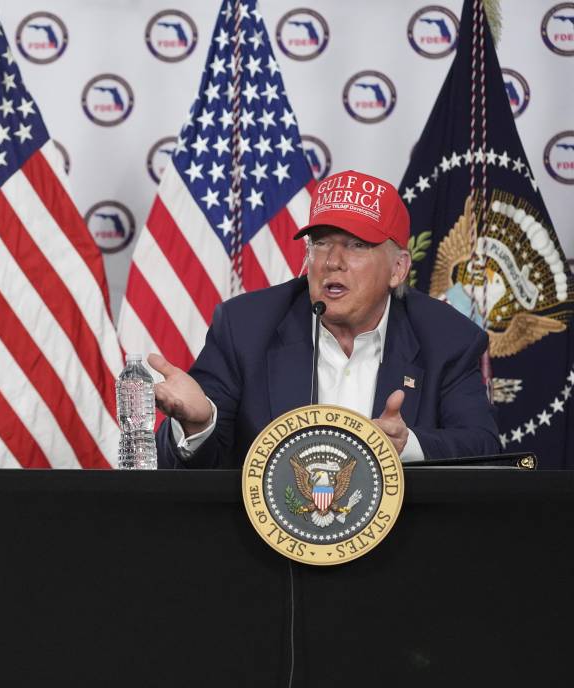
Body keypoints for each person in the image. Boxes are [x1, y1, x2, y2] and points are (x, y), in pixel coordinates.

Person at [151, 169, 500, 468]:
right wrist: (199, 426)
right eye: (320, 243)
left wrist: (405, 445)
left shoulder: (447, 337)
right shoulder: (246, 326)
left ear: (398, 268)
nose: (332, 261)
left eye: (356, 245)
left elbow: (483, 449)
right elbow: (192, 466)